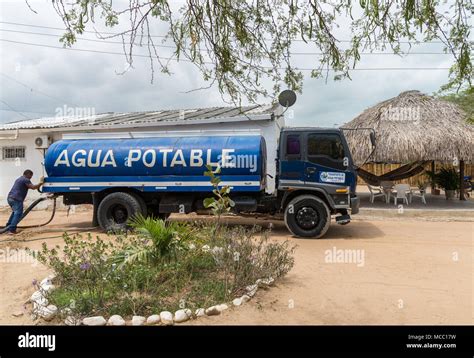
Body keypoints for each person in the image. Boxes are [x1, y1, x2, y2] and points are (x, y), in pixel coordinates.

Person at [4, 170, 44, 234]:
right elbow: (33, 187)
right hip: (16, 199)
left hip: (10, 198)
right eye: (31, 176)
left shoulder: (19, 179)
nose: (31, 177)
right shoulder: (25, 179)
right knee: (18, 214)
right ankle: (11, 229)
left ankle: (8, 227)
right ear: (28, 174)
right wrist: (40, 183)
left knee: (14, 213)